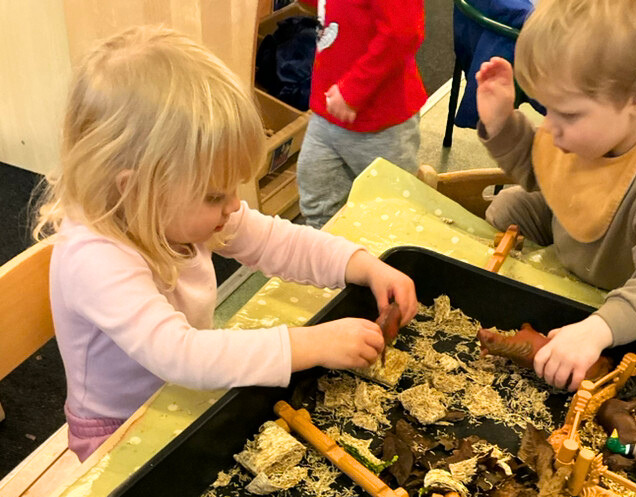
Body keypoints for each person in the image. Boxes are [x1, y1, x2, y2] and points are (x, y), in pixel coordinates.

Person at [35, 26, 418, 460]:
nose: (234, 205)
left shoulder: (166, 212)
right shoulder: (95, 258)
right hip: (119, 432)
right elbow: (181, 355)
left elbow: (277, 242)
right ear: (136, 189)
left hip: (185, 398)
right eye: (215, 196)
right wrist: (310, 344)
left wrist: (363, 265)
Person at [476, 0, 636, 391]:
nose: (551, 127)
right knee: (509, 205)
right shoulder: (602, 120)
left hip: (617, 288)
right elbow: (541, 169)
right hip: (571, 235)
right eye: (547, 109)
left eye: (566, 114)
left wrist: (598, 328)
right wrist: (501, 123)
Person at [296, 0, 428, 229]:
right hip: (327, 110)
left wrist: (353, 91)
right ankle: (327, 248)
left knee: (391, 212)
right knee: (317, 201)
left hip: (382, 122)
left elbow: (403, 33)